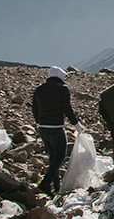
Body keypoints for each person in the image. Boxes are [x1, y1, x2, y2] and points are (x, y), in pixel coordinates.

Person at [31, 66, 81, 195]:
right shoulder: (62, 89)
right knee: (60, 156)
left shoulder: (39, 89)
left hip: (43, 129)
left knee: (53, 157)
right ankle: (45, 183)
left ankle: (56, 185)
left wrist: (39, 121)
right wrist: (76, 124)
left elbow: (34, 109)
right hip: (56, 128)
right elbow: (67, 109)